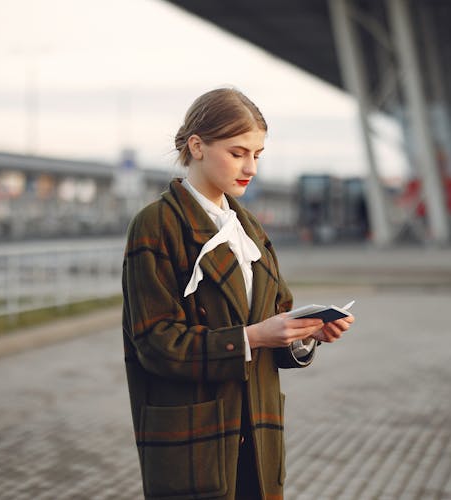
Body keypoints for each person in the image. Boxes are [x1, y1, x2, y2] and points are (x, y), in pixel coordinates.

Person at [121, 87, 354, 500]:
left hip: (257, 433)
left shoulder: (249, 229)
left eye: (257, 155)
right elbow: (156, 345)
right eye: (238, 152)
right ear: (197, 146)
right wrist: (256, 336)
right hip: (195, 438)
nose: (251, 167)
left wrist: (305, 334)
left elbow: (274, 322)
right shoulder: (157, 225)